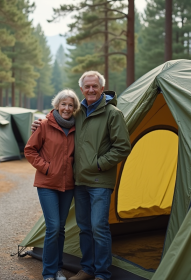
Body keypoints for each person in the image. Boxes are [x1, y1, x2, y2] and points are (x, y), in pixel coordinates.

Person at [32, 71, 131, 280]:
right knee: (84, 227)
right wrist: (38, 124)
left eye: (95, 86)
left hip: (100, 181)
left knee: (99, 227)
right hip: (78, 182)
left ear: (102, 88)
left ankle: (102, 274)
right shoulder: (77, 113)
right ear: (82, 89)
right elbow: (57, 118)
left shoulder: (113, 114)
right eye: (87, 87)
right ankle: (88, 269)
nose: (91, 90)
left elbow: (123, 147)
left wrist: (99, 164)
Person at [25, 89, 80, 280]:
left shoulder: (77, 127)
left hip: (68, 185)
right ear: (57, 105)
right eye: (63, 104)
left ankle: (57, 269)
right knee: (53, 226)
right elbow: (30, 150)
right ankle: (48, 272)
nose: (66, 108)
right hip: (47, 183)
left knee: (61, 228)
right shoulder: (44, 124)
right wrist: (47, 168)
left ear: (74, 109)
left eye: (70, 105)